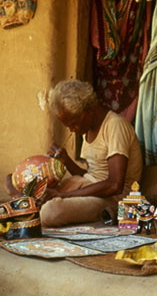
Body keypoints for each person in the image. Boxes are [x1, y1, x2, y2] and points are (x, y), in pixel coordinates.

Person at [6, 79, 143, 227]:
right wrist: (66, 161)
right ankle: (25, 204)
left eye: (72, 124)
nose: (72, 130)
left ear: (88, 111)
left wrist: (64, 195)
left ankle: (27, 207)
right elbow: (90, 175)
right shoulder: (88, 129)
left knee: (50, 211)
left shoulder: (115, 126)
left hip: (113, 198)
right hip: (90, 186)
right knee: (39, 193)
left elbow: (114, 185)